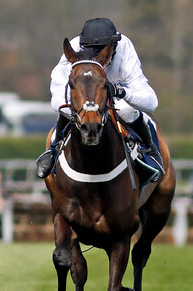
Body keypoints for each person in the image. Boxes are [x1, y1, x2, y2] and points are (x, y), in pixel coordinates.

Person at [35, 17, 163, 180]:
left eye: (103, 55)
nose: (98, 61)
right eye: (94, 54)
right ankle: (53, 149)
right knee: (68, 109)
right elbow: (57, 100)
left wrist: (122, 93)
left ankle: (150, 151)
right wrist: (81, 108)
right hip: (83, 101)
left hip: (116, 94)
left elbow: (151, 102)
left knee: (126, 110)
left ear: (114, 49)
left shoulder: (125, 50)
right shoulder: (73, 51)